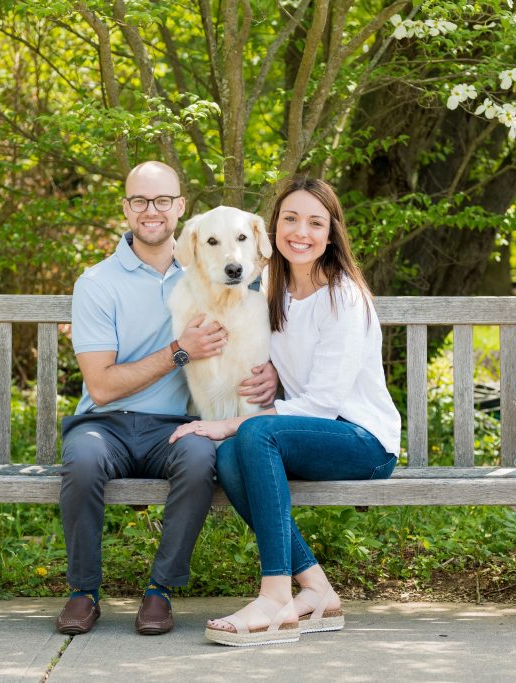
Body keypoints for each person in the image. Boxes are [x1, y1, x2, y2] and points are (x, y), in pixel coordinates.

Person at [169, 177, 401, 647]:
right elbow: (278, 353)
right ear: (272, 231)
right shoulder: (272, 285)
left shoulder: (343, 296)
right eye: (290, 219)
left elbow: (322, 404)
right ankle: (316, 588)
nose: (301, 231)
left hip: (362, 441)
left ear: (331, 234)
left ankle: (274, 595)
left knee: (250, 435)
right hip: (309, 434)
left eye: (316, 223)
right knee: (231, 456)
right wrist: (271, 372)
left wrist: (228, 421)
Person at [56, 161, 278, 637]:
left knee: (200, 457)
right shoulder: (97, 283)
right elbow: (101, 387)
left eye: (161, 200)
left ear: (179, 208)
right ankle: (83, 592)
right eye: (139, 200)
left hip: (172, 425)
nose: (150, 210)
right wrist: (180, 352)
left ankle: (159, 592)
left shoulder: (206, 267)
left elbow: (258, 318)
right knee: (81, 459)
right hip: (105, 422)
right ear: (126, 208)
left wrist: (273, 372)